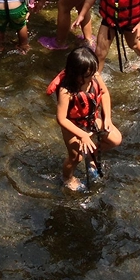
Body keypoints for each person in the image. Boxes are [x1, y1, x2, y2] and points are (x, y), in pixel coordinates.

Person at [46, 47, 122, 190]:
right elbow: (61, 119)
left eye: (94, 72)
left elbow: (104, 93)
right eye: (88, 75)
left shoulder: (95, 76)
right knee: (76, 158)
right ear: (76, 75)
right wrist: (82, 135)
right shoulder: (66, 90)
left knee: (115, 139)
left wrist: (107, 118)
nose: (93, 77)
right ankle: (67, 178)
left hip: (91, 120)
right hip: (73, 125)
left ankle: (91, 155)